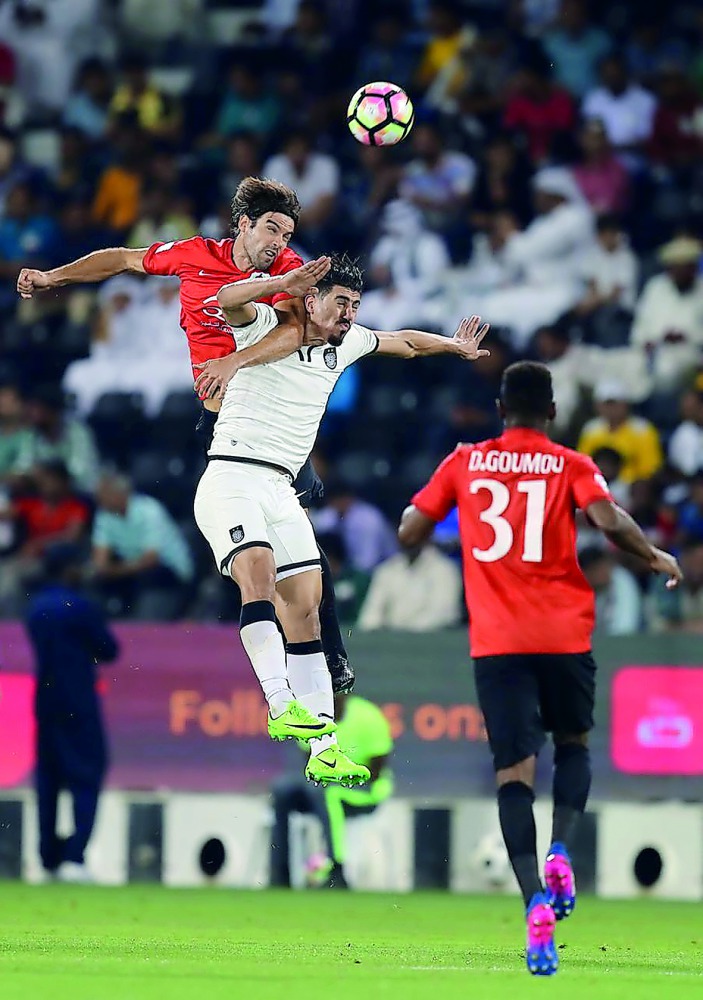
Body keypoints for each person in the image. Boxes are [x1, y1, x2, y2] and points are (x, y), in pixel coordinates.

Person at [16, 176, 355, 697]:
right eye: (271, 229)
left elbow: (296, 331)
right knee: (253, 548)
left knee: (299, 539)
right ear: (243, 224)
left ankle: (328, 654)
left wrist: (236, 359)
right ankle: (274, 655)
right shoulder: (194, 254)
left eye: (287, 234)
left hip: (273, 423)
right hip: (220, 419)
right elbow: (124, 259)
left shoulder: (291, 273)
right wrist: (52, 276)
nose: (280, 243)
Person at [398, 361, 681, 976]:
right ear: (552, 413)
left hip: (498, 643)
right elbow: (608, 522)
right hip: (563, 635)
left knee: (513, 774)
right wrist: (654, 553)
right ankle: (561, 848)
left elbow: (411, 530)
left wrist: (442, 503)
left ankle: (534, 906)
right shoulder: (572, 464)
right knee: (573, 742)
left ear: (501, 410)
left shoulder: (466, 461)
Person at [193, 253, 489, 787]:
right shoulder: (265, 324)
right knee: (257, 572)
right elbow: (225, 299)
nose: (349, 314)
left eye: (355, 304)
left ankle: (324, 746)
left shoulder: (347, 343)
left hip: (280, 488)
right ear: (313, 299)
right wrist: (280, 282)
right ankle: (281, 702)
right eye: (341, 302)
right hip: (232, 476)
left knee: (306, 605)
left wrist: (452, 345)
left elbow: (404, 341)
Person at [25, 542, 119, 882]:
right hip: (78, 701)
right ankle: (75, 857)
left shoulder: (36, 607)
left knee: (48, 781)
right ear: (68, 569)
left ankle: (47, 859)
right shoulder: (79, 606)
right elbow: (109, 649)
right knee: (86, 775)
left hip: (45, 701)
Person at [270, 692, 393, 889]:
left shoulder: (368, 716)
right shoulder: (312, 716)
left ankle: (337, 870)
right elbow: (309, 762)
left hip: (365, 792)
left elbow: (377, 769)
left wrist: (341, 778)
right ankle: (279, 875)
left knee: (330, 794)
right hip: (321, 792)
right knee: (283, 790)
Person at [90, 472, 194, 621]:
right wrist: (105, 570)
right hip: (132, 568)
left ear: (120, 493)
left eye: (104, 494)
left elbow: (151, 558)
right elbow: (100, 561)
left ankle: (146, 624)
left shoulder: (150, 510)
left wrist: (113, 570)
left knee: (151, 576)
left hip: (168, 568)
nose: (99, 499)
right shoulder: (104, 515)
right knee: (97, 581)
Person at [357, 540, 463, 632]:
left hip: (431, 644)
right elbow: (370, 615)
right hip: (390, 643)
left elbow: (443, 615)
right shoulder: (386, 570)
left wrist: (404, 632)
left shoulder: (445, 569)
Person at [13, 385, 99, 492]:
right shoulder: (31, 434)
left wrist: (50, 475)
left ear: (51, 409)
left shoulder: (77, 431)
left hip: (79, 495)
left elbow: (80, 472)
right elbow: (23, 467)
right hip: (42, 494)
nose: (30, 412)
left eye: (35, 407)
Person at [578, 380, 663, 485]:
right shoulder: (591, 431)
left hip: (632, 488)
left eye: (614, 404)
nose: (611, 409)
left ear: (625, 404)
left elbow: (650, 469)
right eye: (606, 404)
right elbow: (583, 466)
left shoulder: (642, 430)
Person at [578, 545, 643, 636]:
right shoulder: (578, 588)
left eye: (604, 566)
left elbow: (625, 628)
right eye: (596, 570)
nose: (604, 571)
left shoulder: (621, 580)